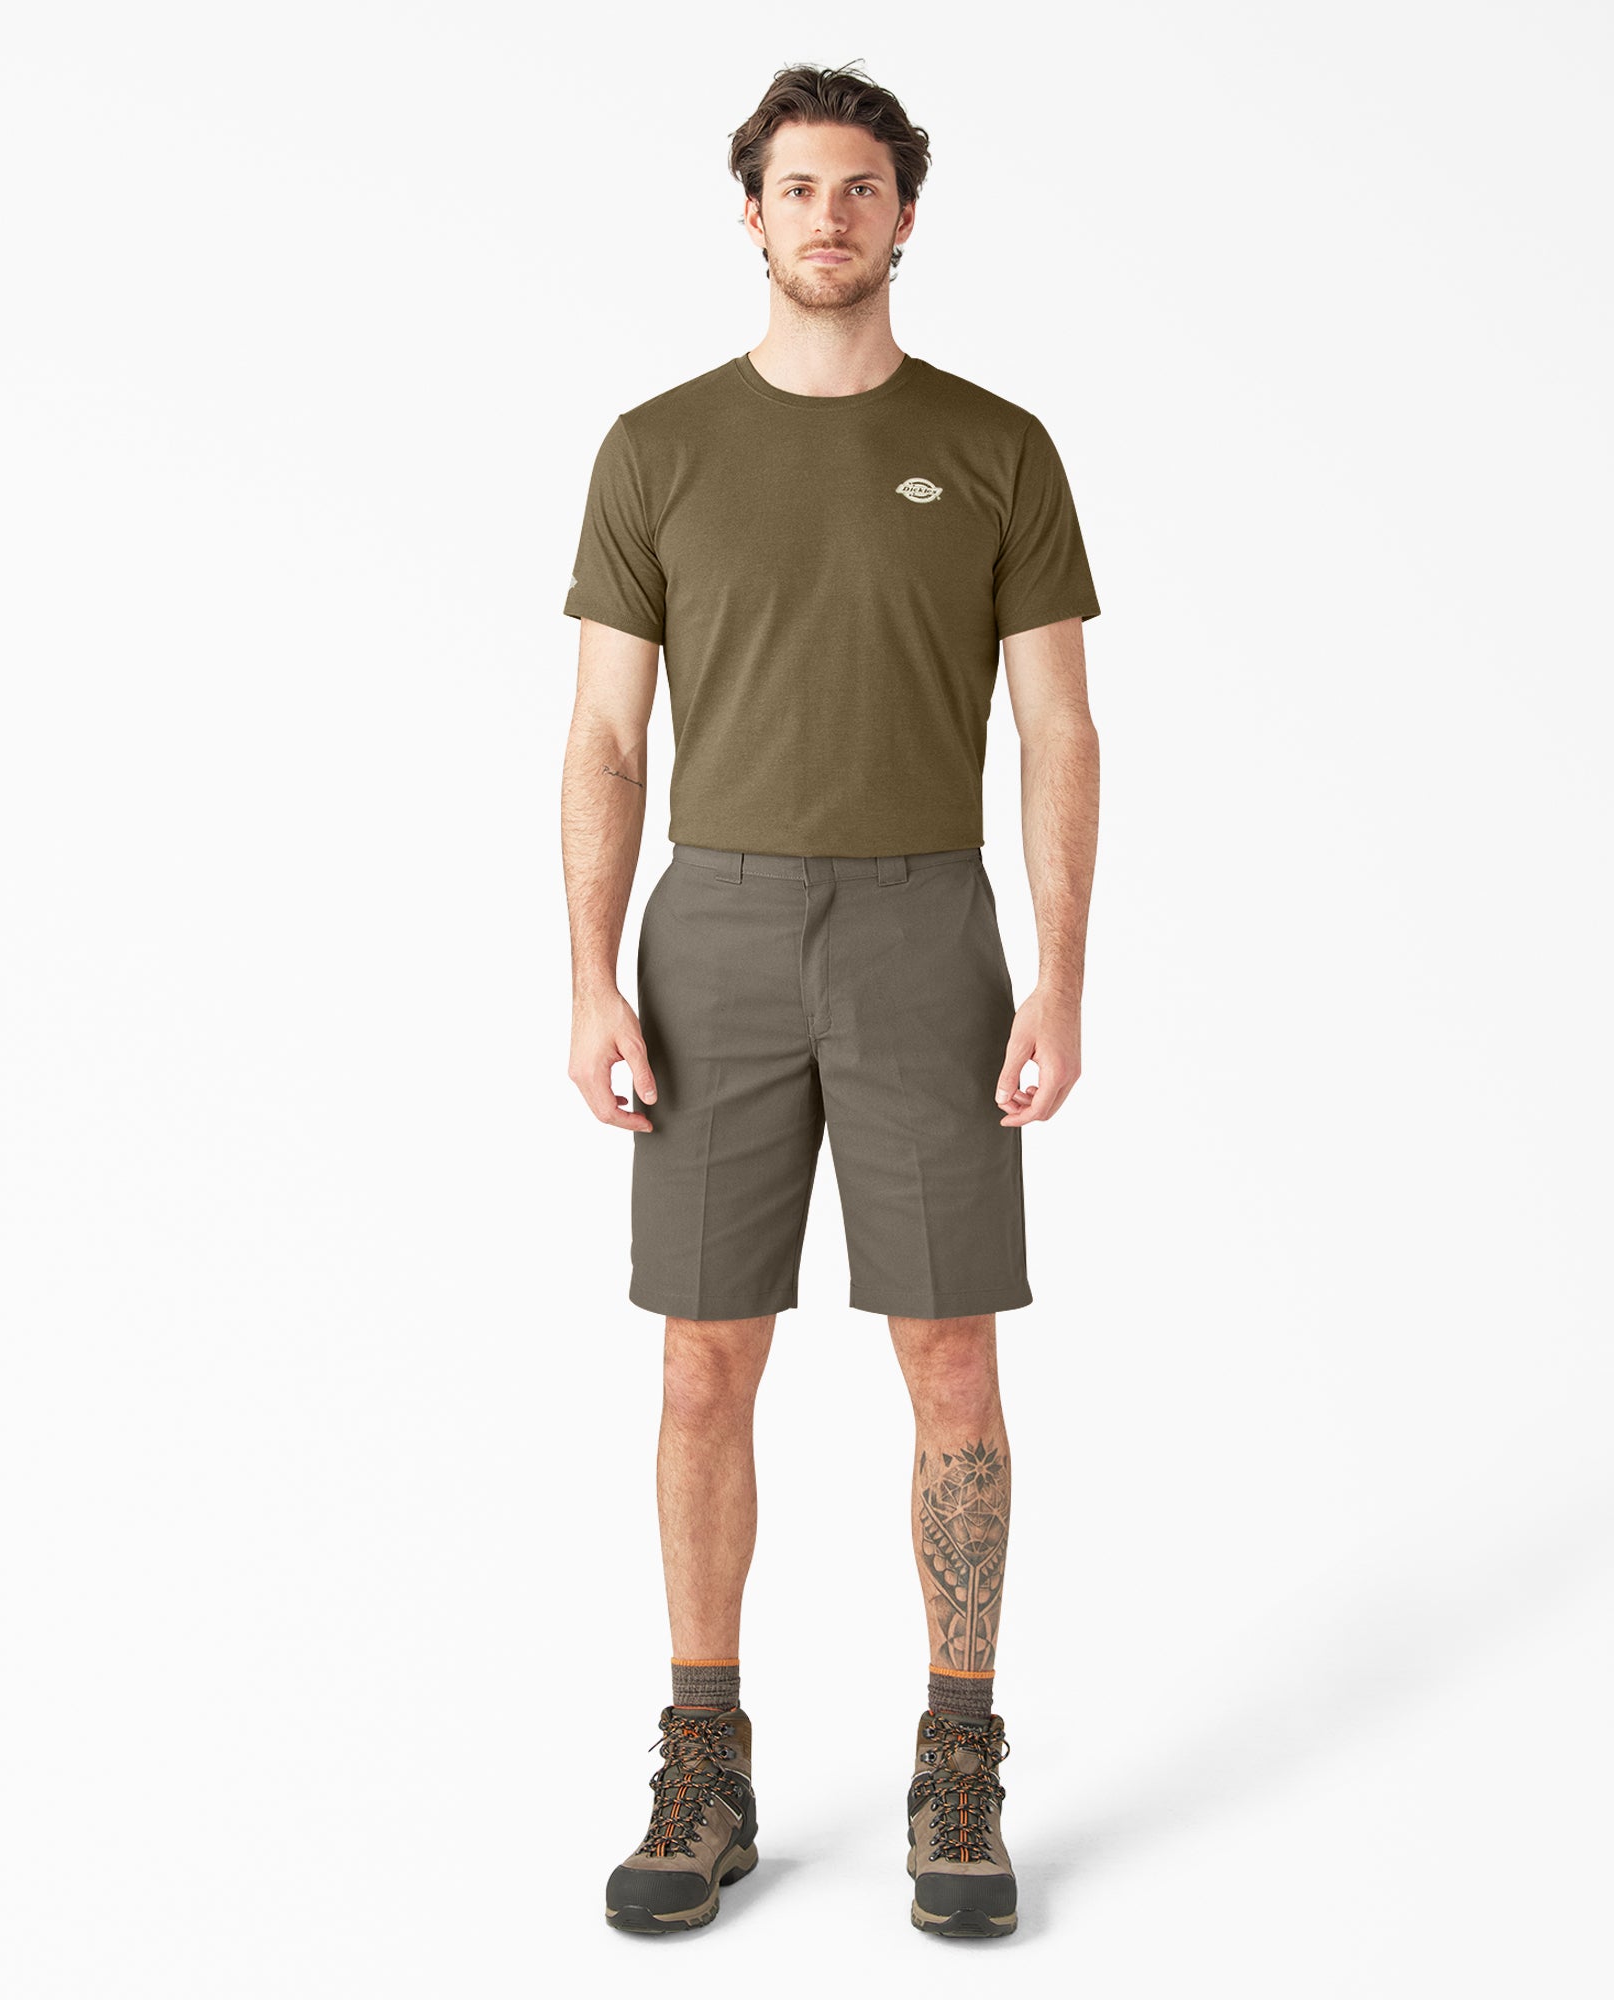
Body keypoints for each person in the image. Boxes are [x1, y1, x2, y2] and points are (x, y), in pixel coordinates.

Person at [559, 60, 1101, 1938]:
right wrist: (588, 975)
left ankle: (959, 1764)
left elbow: (1057, 728)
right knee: (704, 1354)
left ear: (905, 216)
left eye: (861, 187)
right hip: (709, 928)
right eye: (797, 187)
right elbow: (606, 736)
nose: (829, 216)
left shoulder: (998, 447)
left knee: (950, 1353)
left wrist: (1060, 974)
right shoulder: (657, 449)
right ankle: (702, 1764)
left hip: (923, 930)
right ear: (752, 213)